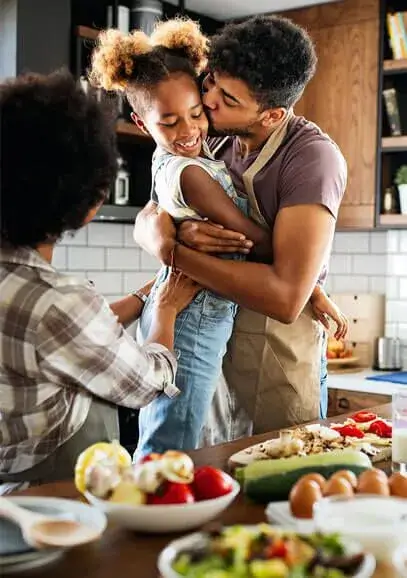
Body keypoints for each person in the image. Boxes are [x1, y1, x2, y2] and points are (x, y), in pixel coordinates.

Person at [90, 18, 347, 458]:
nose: (206, 102)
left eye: (226, 98)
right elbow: (163, 208)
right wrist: (159, 230)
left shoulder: (312, 159)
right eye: (211, 83)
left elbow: (286, 296)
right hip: (212, 346)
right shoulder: (216, 140)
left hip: (275, 360)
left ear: (272, 114)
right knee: (201, 480)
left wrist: (173, 250)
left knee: (279, 483)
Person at [0, 69, 199, 492]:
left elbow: (54, 340)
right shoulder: (59, 301)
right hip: (63, 497)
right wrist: (164, 312)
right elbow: (145, 382)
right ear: (89, 203)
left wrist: (143, 297)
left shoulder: (34, 294)